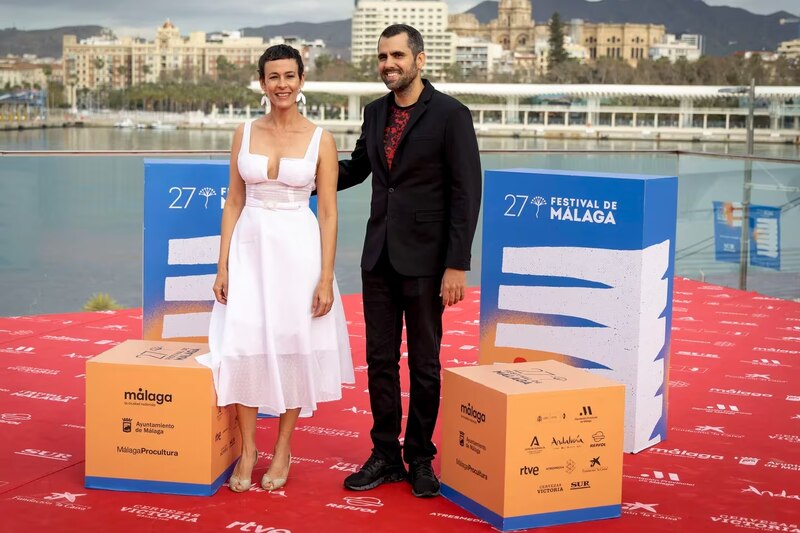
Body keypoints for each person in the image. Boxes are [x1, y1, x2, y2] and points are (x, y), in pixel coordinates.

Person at [199, 44, 354, 493]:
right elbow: (233, 201)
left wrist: (325, 277)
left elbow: (328, 212)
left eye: (290, 75)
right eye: (273, 77)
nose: (282, 84)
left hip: (299, 253)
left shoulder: (320, 138)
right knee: (243, 344)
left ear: (301, 80)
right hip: (250, 250)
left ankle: (282, 447)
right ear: (262, 83)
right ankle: (248, 449)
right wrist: (222, 264)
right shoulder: (243, 132)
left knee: (292, 345)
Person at [337, 24, 482, 497]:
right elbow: (358, 168)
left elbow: (466, 193)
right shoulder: (374, 112)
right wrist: (300, 176)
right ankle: (385, 455)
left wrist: (456, 264)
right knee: (379, 360)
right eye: (382, 57)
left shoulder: (450, 115)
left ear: (419, 60)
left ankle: (420, 456)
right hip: (378, 255)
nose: (388, 64)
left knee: (424, 363)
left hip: (427, 259)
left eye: (397, 55)